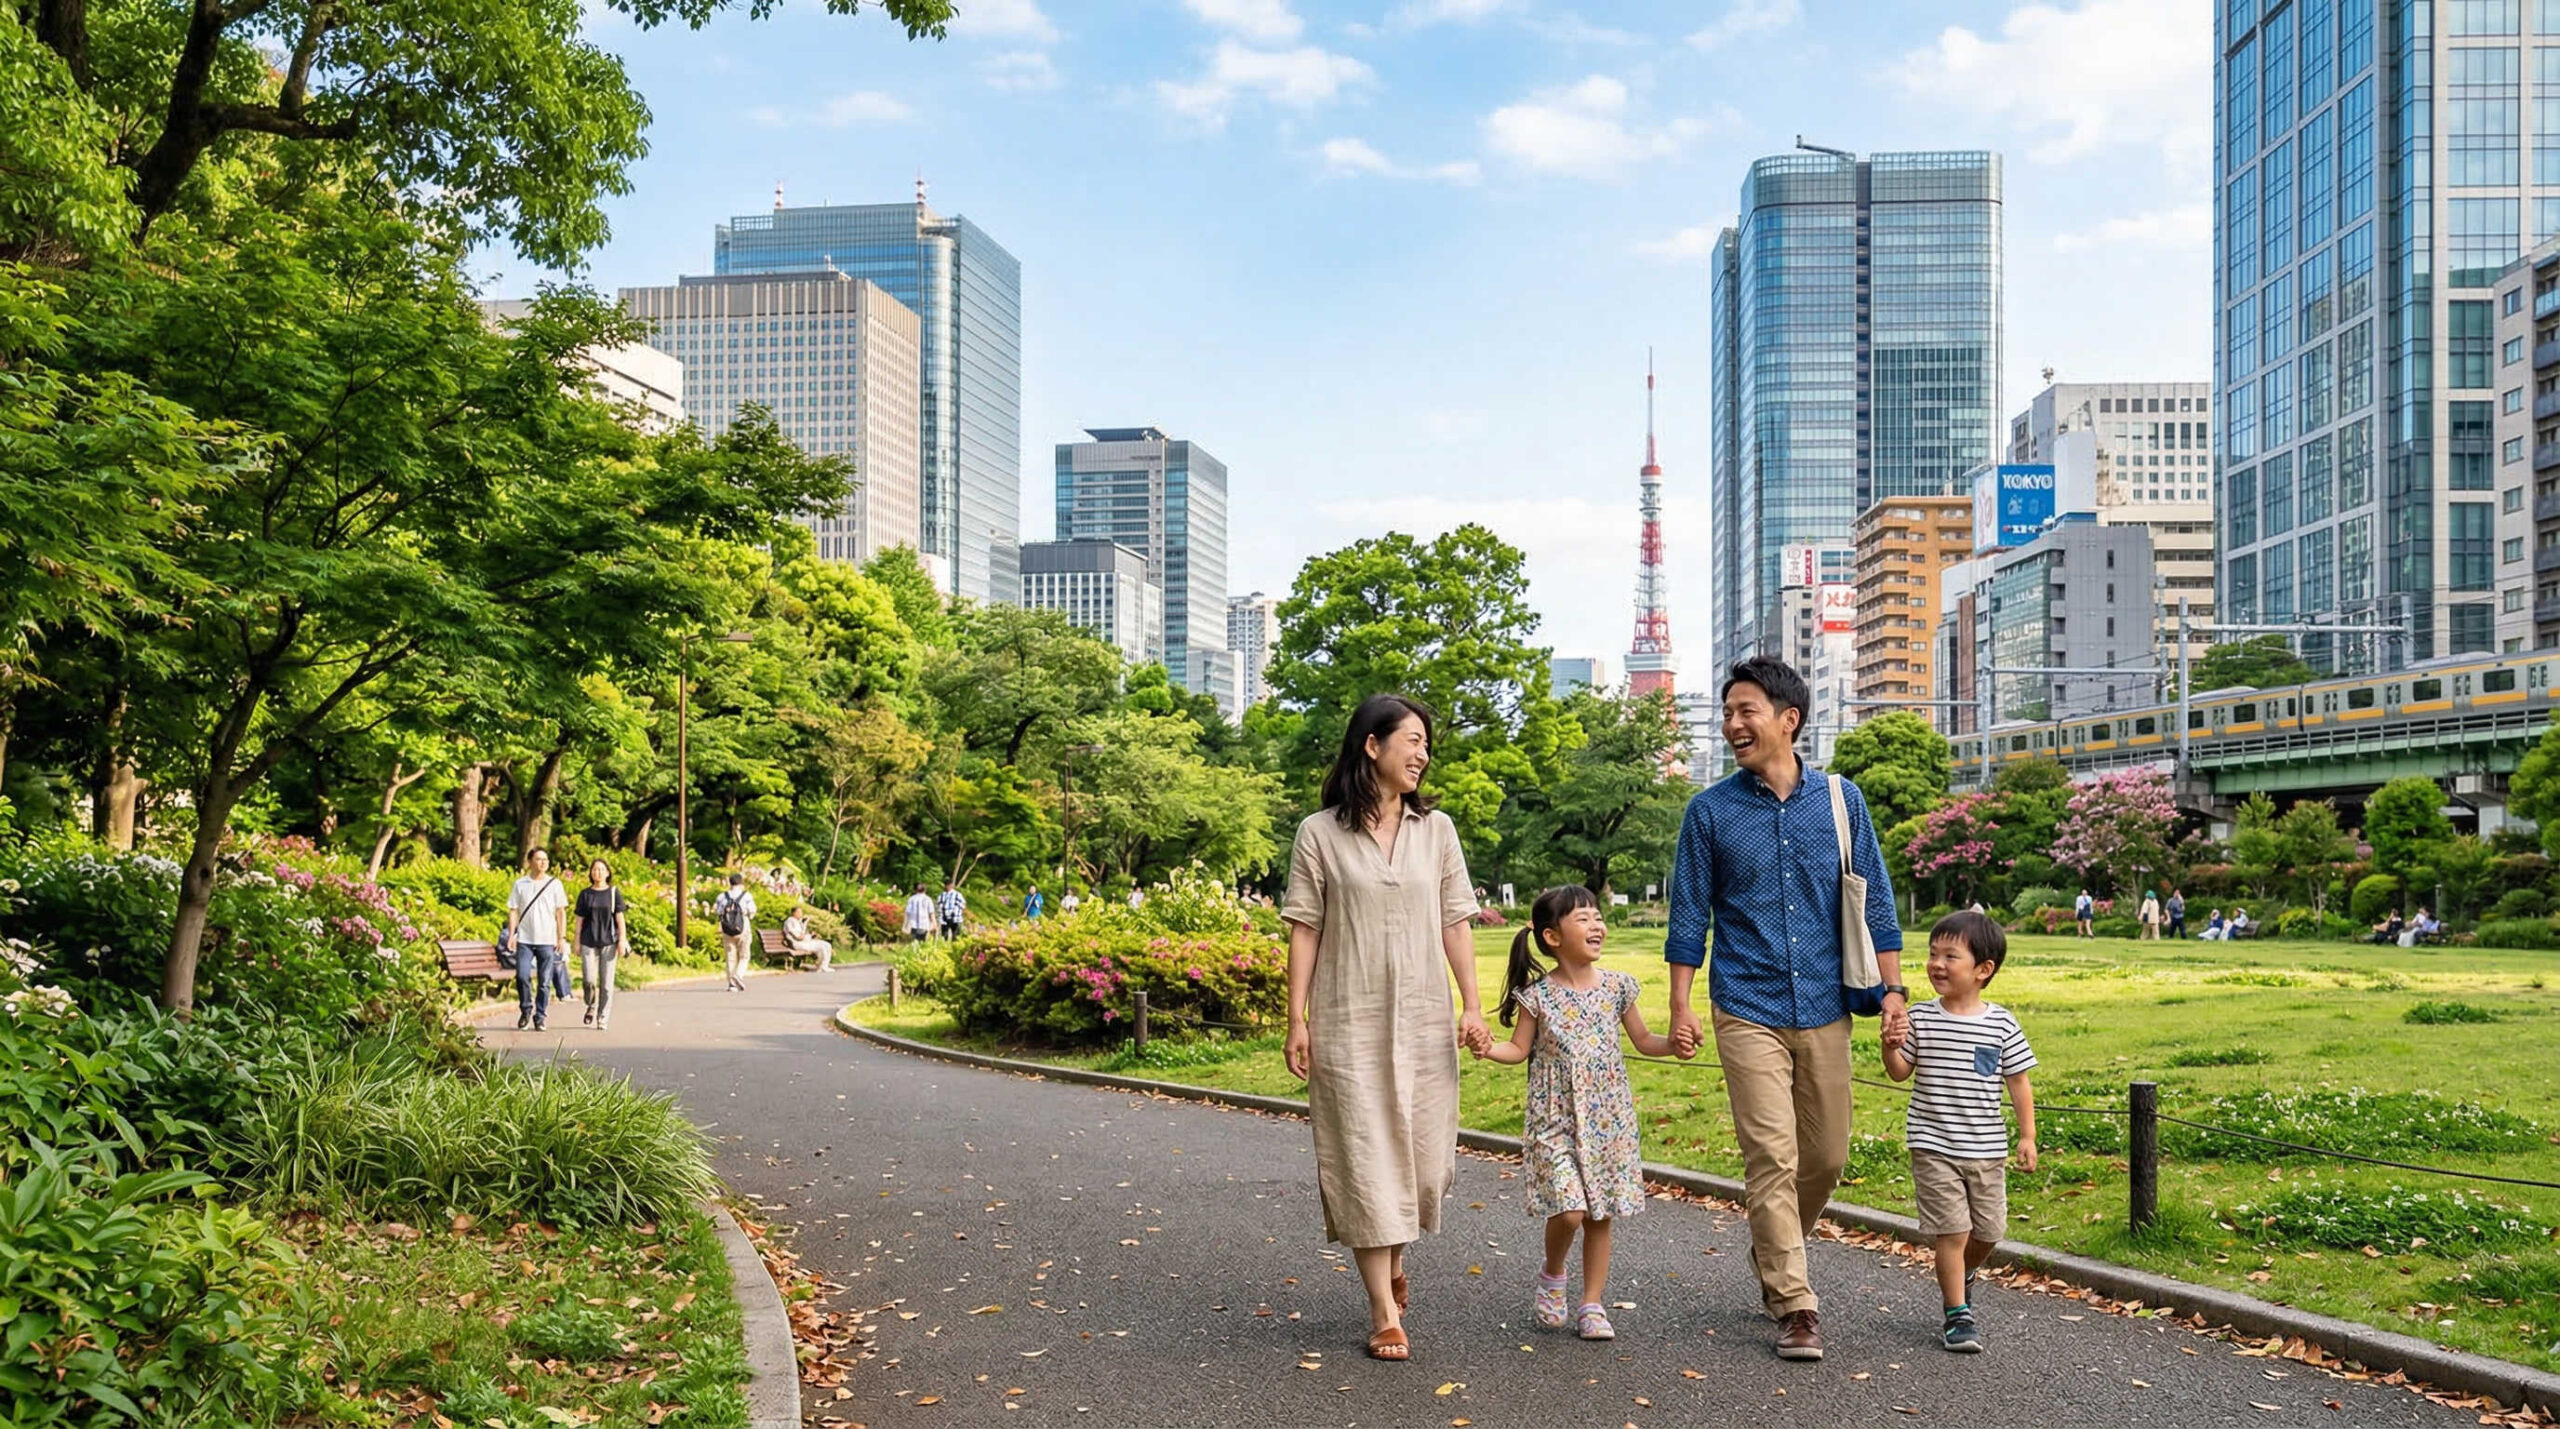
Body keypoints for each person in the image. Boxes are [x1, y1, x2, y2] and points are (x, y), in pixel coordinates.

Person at [1665, 657, 1907, 1363]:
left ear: (1788, 719)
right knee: (1770, 1152)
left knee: (1826, 1154)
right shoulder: (1709, 811)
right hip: (1745, 1001)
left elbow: (1877, 901)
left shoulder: (1841, 800)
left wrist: (1893, 990)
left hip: (1828, 1001)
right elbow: (1688, 916)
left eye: (1746, 711)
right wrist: (1681, 1004)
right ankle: (1796, 1302)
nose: (1733, 724)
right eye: (1728, 712)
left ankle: (1776, 1248)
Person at [1282, 693, 1493, 1364]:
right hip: (1348, 1020)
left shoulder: (1439, 831)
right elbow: (1304, 927)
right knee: (1365, 1158)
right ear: (1371, 745)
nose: (1423, 753)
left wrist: (1472, 1003)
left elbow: (1455, 921)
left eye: (1426, 742)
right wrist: (1297, 1017)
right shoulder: (1319, 832)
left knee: (1425, 1164)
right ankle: (1381, 1308)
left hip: (1426, 1019)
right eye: (1412, 739)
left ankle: (1393, 1253)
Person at [1475, 885, 1683, 1341]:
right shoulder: (1538, 996)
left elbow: (1645, 1041)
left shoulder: (1617, 987)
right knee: (1569, 1210)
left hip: (1608, 1117)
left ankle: (1592, 1303)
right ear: (1552, 936)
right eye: (1583, 918)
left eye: (1597, 916)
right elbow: (1517, 1049)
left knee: (1599, 1213)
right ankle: (1553, 1275)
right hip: (1555, 1118)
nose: (1597, 925)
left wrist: (1674, 1044)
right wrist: (1488, 1048)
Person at [1881, 911, 2038, 1355]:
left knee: (1987, 1232)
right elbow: (1898, 1073)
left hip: (1986, 1147)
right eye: (1933, 954)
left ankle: (1963, 1274)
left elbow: (2019, 1080)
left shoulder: (2001, 1023)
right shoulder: (1921, 1019)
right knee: (1952, 1231)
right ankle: (1957, 1313)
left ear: (1983, 970)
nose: (1937, 964)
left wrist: (2027, 1136)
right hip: (1933, 1145)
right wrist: (1889, 1044)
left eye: (1951, 955)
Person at [505, 849, 570, 1032]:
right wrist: (511, 935)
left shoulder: (555, 884)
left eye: (545, 859)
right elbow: (513, 910)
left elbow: (560, 912)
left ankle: (540, 1016)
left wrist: (561, 937)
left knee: (544, 981)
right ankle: (526, 1010)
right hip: (525, 939)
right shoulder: (520, 884)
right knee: (522, 975)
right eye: (538, 859)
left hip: (547, 940)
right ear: (530, 861)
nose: (542, 863)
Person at [573, 858, 628, 1031]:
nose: (598, 872)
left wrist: (622, 940)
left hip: (609, 942)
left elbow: (620, 919)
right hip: (588, 941)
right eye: (595, 869)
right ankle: (591, 1003)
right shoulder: (585, 894)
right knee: (588, 979)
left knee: (606, 984)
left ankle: (602, 1017)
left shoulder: (613, 892)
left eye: (601, 869)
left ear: (607, 872)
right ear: (590, 873)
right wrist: (576, 941)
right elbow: (579, 920)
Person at [713, 873, 757, 991]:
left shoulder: (722, 896)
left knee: (730, 956)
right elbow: (752, 912)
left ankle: (732, 984)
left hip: (727, 928)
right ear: (741, 883)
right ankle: (738, 975)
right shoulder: (746, 896)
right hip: (743, 926)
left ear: (730, 882)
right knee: (744, 955)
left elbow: (718, 911)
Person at [782, 906, 834, 971]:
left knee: (827, 945)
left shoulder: (798, 922)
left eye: (801, 912)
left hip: (804, 942)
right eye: (799, 912)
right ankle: (822, 966)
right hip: (797, 944)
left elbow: (802, 934)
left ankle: (823, 965)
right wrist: (807, 936)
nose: (801, 914)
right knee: (821, 947)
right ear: (794, 913)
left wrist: (805, 925)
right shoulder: (789, 921)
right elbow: (797, 936)